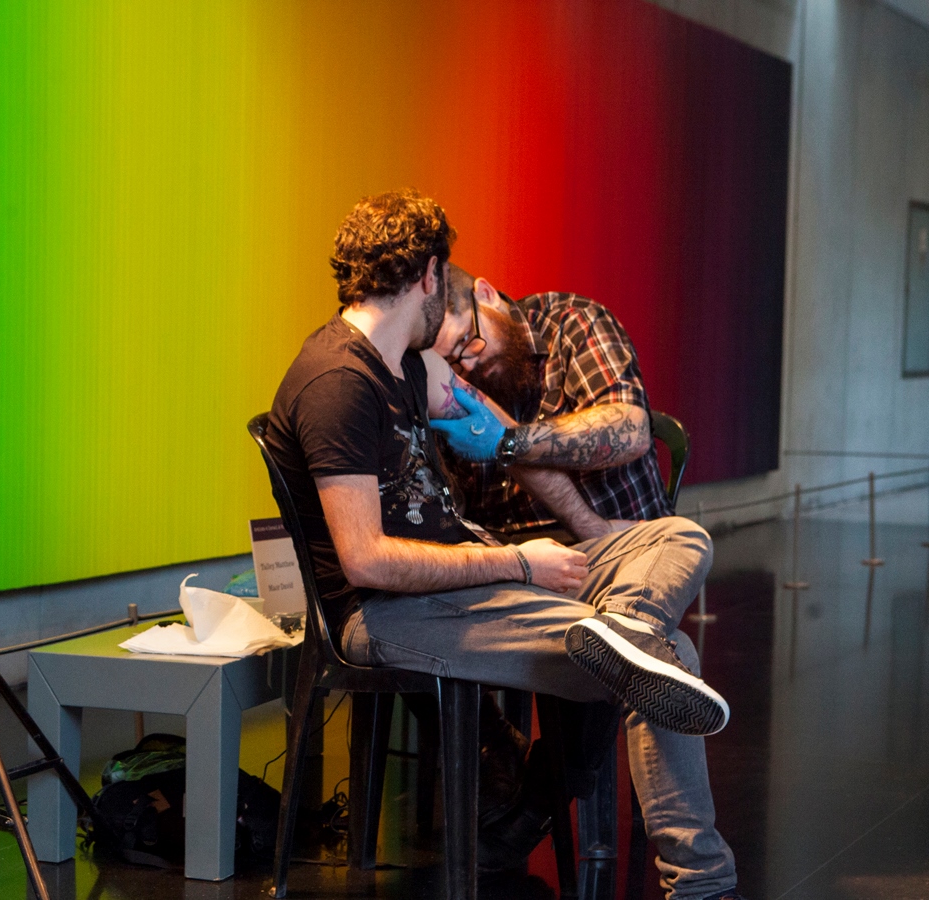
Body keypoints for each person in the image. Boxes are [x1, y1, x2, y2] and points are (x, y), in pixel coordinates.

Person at [265, 189, 742, 900]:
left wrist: (529, 470)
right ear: (431, 275)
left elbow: (492, 427)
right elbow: (366, 560)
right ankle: (703, 882)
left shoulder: (405, 361)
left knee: (680, 535)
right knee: (669, 660)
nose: (461, 366)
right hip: (393, 610)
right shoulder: (340, 383)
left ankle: (631, 627)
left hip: (462, 581)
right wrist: (519, 560)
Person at [429, 266, 670, 541]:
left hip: (619, 538)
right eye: (451, 361)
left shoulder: (572, 322)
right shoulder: (450, 375)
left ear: (486, 295)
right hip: (511, 556)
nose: (468, 364)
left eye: (466, 340)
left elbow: (632, 432)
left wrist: (507, 442)